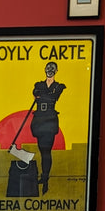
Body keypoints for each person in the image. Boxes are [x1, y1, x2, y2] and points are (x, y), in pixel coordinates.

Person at [30, 62, 66, 194]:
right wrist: (44, 96)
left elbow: (54, 97)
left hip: (50, 121)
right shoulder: (38, 85)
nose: (49, 70)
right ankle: (43, 177)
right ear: (44, 69)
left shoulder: (59, 86)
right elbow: (37, 93)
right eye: (48, 68)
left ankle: (45, 177)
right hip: (39, 121)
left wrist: (42, 96)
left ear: (56, 70)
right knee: (42, 151)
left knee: (46, 151)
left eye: (52, 68)